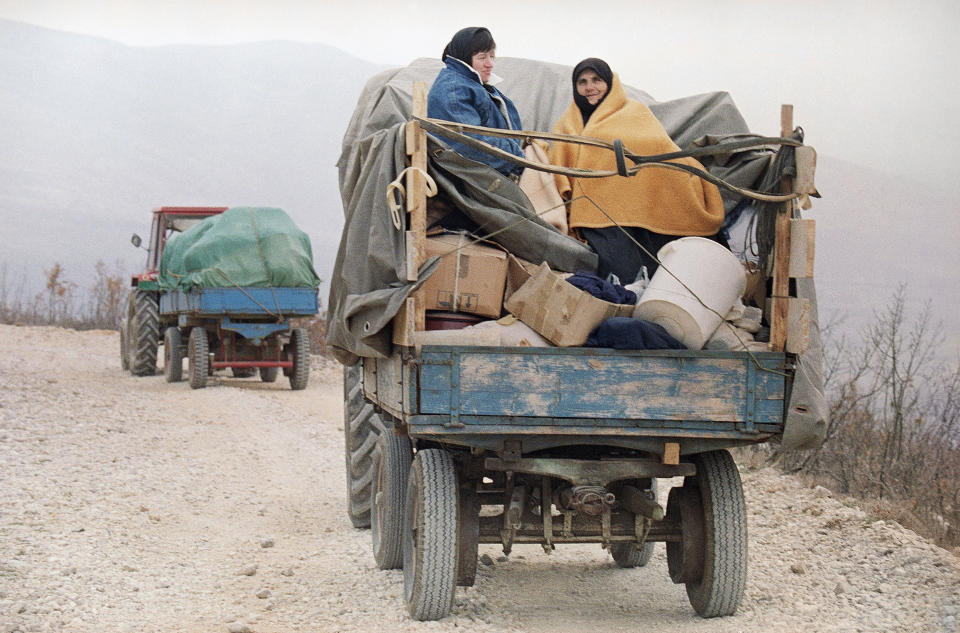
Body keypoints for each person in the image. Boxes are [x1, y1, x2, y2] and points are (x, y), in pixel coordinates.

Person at [550, 58, 726, 281]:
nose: (589, 87)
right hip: (596, 211)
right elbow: (558, 158)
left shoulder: (635, 111)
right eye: (582, 82)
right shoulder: (567, 123)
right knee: (619, 273)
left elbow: (659, 146)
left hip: (644, 202)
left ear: (610, 83)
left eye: (596, 80)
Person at [427, 27, 524, 179]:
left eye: (492, 56)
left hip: (495, 171)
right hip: (471, 182)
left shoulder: (476, 85)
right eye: (482, 57)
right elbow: (470, 144)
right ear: (464, 57)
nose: (490, 64)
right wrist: (518, 158)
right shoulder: (454, 89)